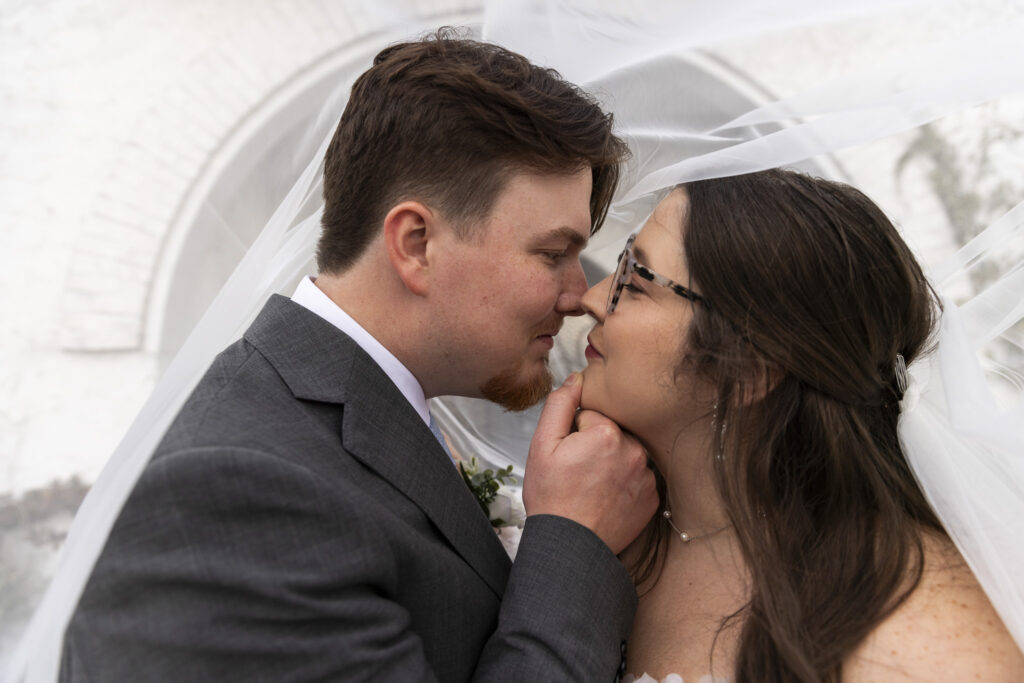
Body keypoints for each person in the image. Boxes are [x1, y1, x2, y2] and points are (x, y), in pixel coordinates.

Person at [57, 32, 658, 682]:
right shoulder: (243, 491)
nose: (582, 294)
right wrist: (575, 537)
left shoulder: (373, 413)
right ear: (417, 243)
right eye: (552, 254)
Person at [575, 170, 1024, 681]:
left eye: (634, 281)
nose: (590, 297)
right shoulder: (611, 518)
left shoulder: (918, 643)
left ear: (747, 371)